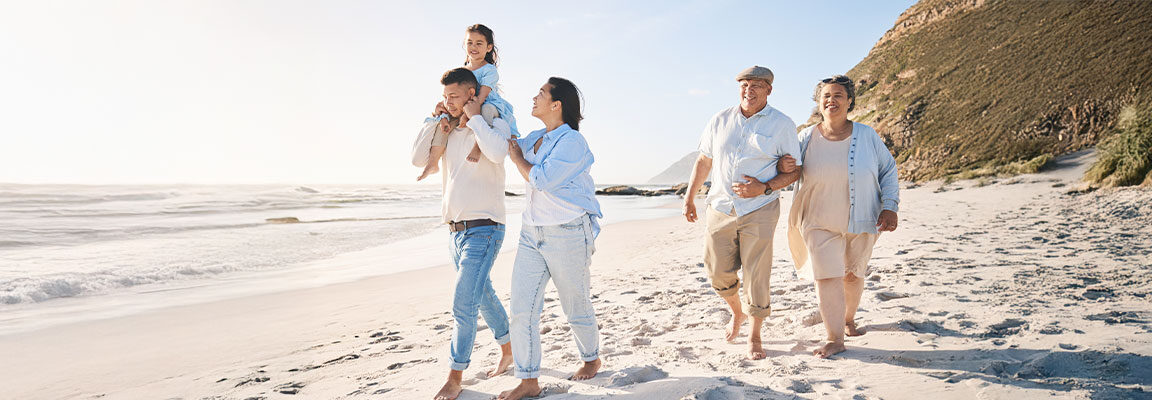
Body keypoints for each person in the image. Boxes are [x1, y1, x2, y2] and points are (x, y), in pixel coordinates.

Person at [682, 66, 803, 360]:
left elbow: (795, 171)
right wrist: (689, 197)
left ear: (769, 90)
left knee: (756, 273)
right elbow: (704, 160)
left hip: (760, 208)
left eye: (756, 86)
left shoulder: (782, 124)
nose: (749, 91)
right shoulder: (720, 119)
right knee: (716, 271)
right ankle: (737, 313)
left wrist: (764, 188)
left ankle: (755, 334)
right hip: (720, 206)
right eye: (744, 85)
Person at [409, 67, 515, 400]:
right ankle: (510, 350)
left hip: (485, 227)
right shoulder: (448, 129)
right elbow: (416, 159)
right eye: (444, 97)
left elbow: (499, 153)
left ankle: (455, 376)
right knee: (482, 295)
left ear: (472, 94)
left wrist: (476, 119)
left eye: (454, 96)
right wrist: (433, 119)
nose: (448, 102)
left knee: (463, 303)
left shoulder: (493, 121)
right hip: (455, 232)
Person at [497, 77, 602, 400]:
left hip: (568, 232)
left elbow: (541, 178)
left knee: (576, 304)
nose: (534, 97)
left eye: (541, 93)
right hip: (532, 233)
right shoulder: (537, 138)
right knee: (522, 308)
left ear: (556, 105)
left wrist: (517, 158)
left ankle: (591, 358)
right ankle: (528, 380)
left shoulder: (572, 142)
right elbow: (507, 138)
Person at [782, 75, 900, 358]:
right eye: (825, 96)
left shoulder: (867, 135)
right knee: (827, 276)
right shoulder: (805, 137)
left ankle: (847, 319)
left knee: (852, 275)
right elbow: (787, 172)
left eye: (838, 95)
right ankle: (834, 338)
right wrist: (782, 165)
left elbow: (888, 169)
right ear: (818, 104)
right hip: (817, 220)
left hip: (863, 217)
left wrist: (890, 205)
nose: (831, 100)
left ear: (849, 102)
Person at [419, 24, 520, 181]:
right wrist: (445, 112)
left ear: (489, 47)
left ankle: (477, 147)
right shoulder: (463, 69)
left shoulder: (489, 70)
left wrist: (468, 115)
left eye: (479, 43)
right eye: (470, 43)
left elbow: (482, 96)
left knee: (485, 111)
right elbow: (455, 93)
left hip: (486, 102)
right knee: (442, 119)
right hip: (467, 104)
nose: (474, 47)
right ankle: (432, 163)